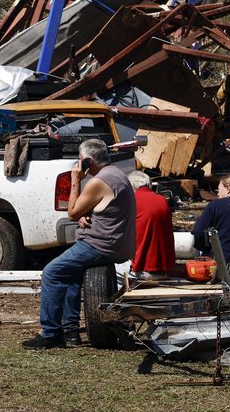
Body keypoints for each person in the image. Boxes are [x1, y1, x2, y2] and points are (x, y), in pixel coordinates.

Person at [21, 139, 136, 350]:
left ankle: (50, 333)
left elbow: (72, 211)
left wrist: (75, 180)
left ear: (88, 161)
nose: (77, 163)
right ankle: (70, 330)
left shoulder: (98, 181)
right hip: (117, 243)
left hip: (100, 244)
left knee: (52, 273)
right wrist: (86, 214)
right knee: (70, 274)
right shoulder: (117, 174)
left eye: (80, 159)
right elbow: (99, 208)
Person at [127, 171, 176, 279]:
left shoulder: (132, 200)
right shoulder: (162, 200)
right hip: (165, 269)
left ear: (131, 185)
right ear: (149, 184)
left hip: (141, 268)